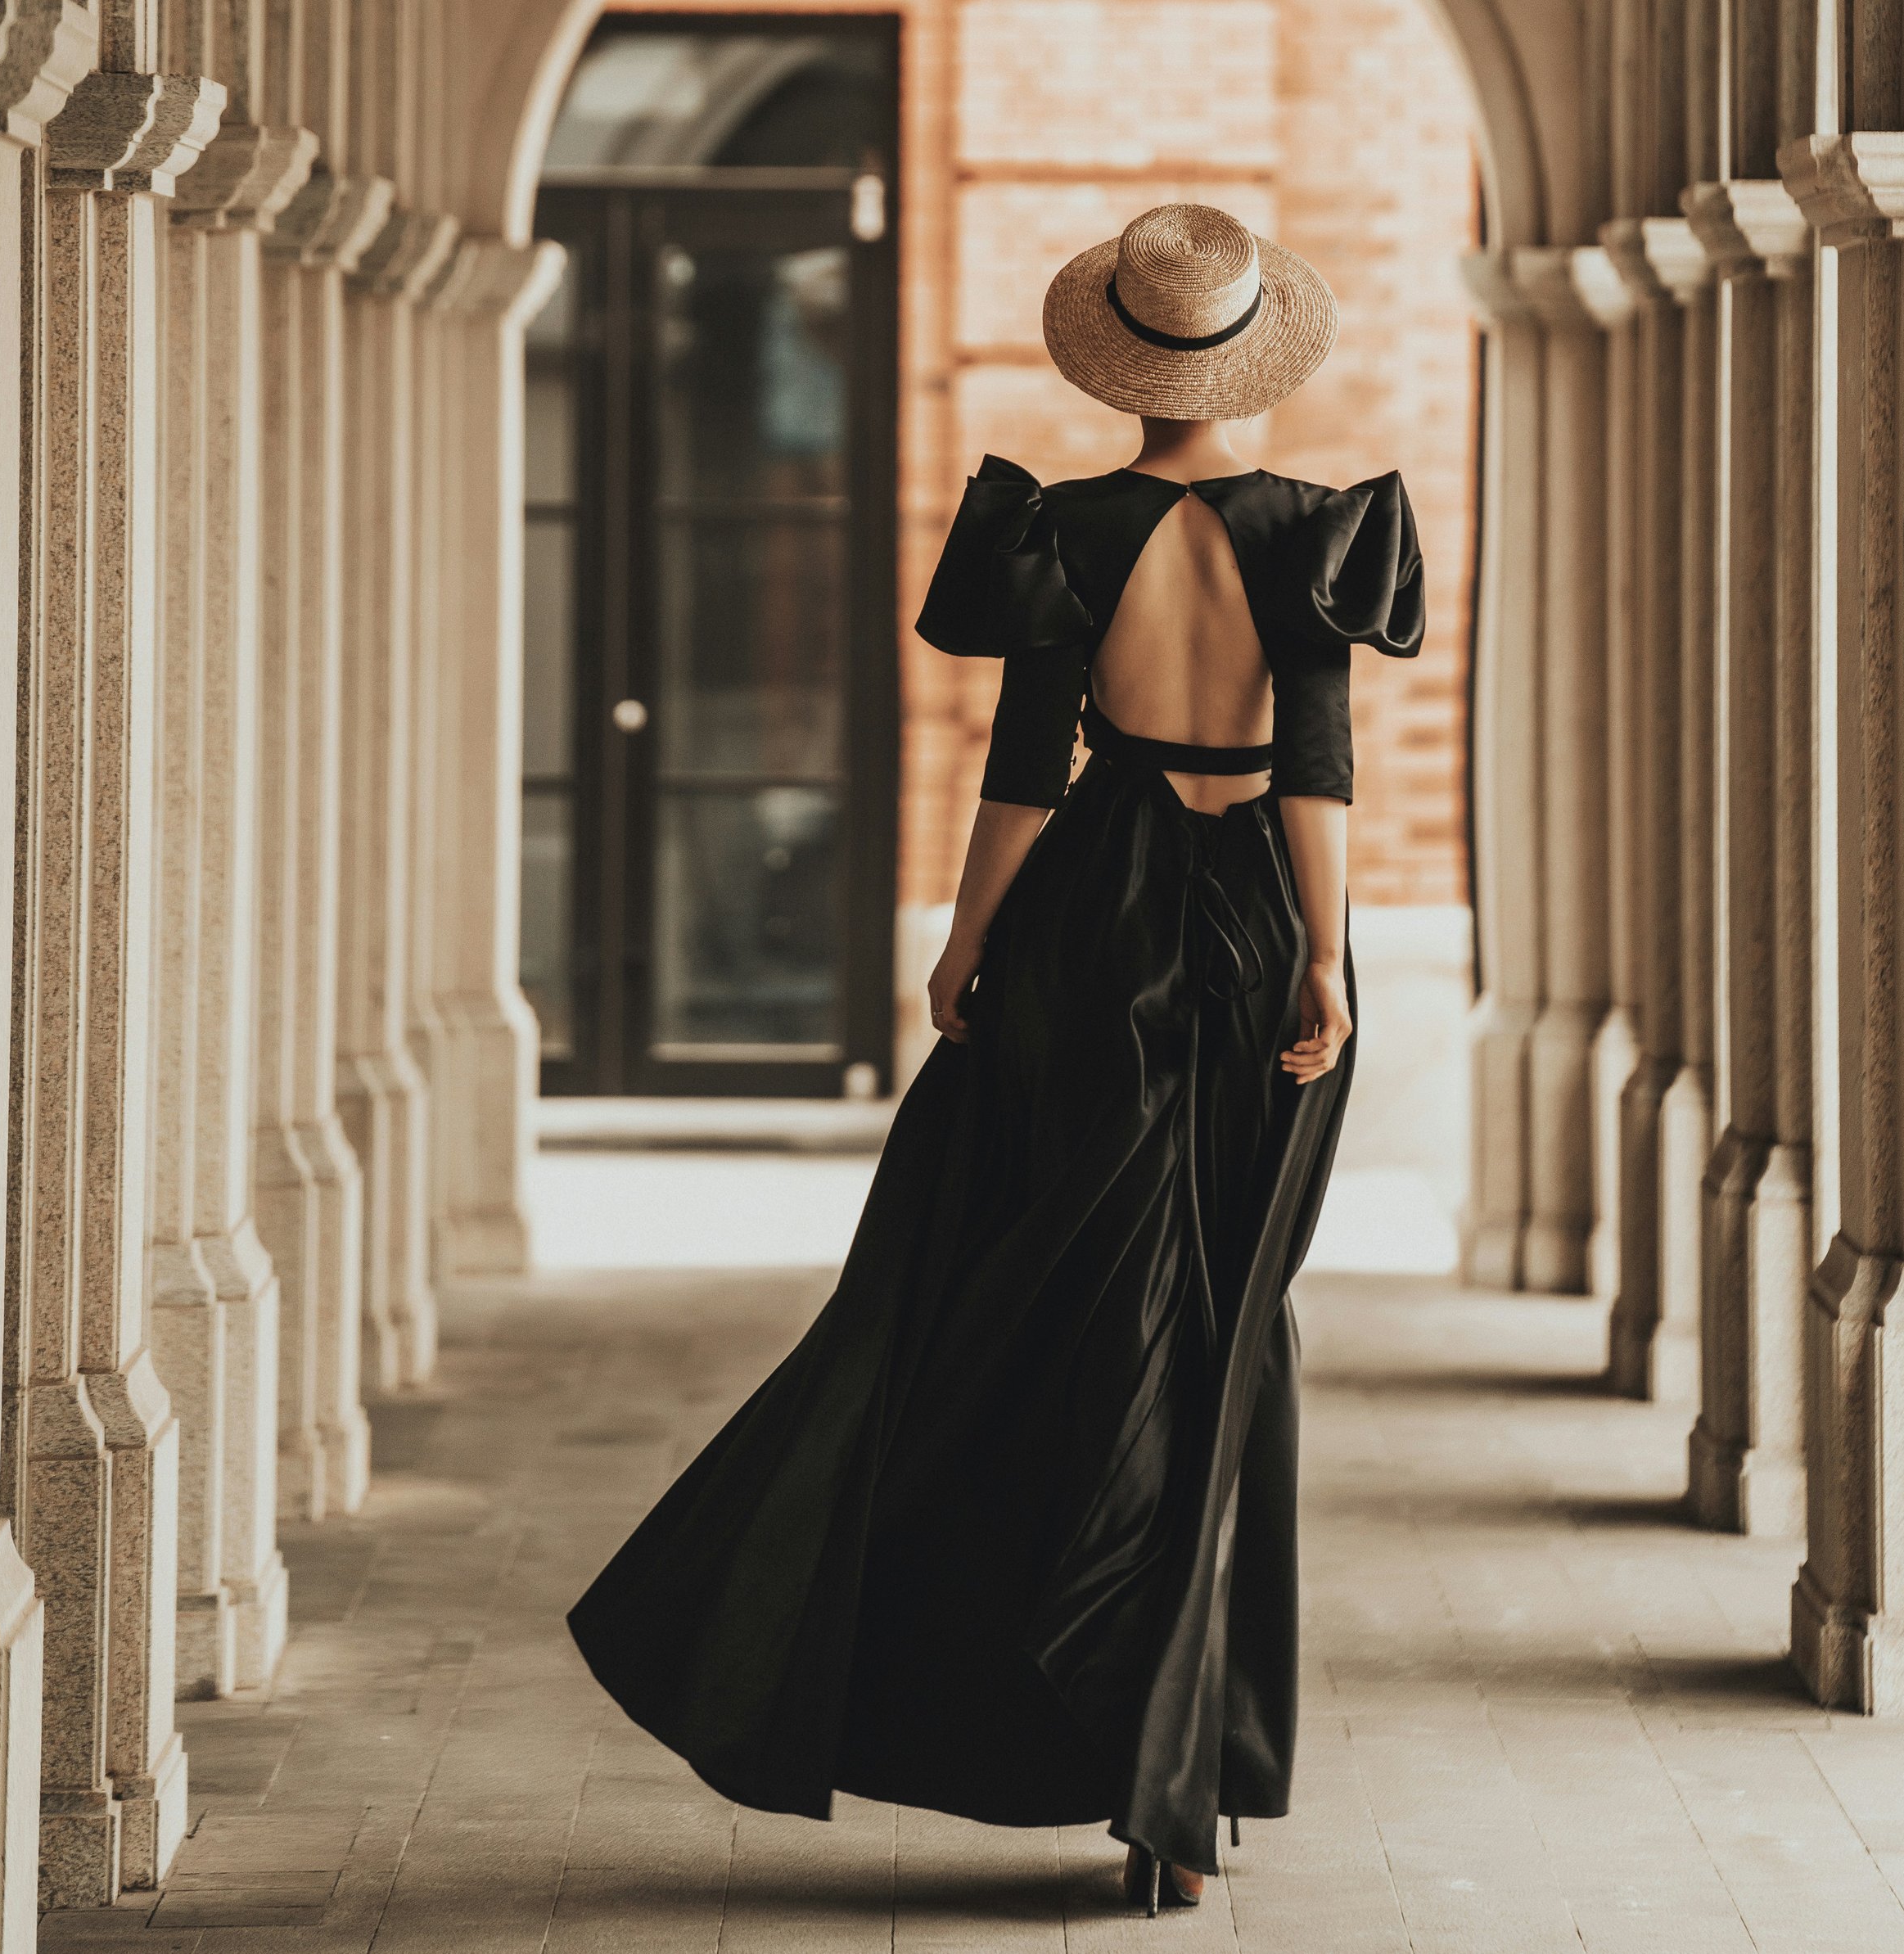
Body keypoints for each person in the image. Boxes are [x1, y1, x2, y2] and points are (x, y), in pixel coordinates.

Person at [568, 201, 1424, 1916]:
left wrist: (962, 938)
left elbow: (1026, 766)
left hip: (1091, 923)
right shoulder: (1322, 531)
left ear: (1121, 356)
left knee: (1039, 1296)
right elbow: (1314, 769)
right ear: (1251, 356)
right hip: (1253, 912)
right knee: (1225, 1322)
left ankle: (1093, 1723)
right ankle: (1172, 1782)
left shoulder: (1059, 526)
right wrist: (1324, 955)